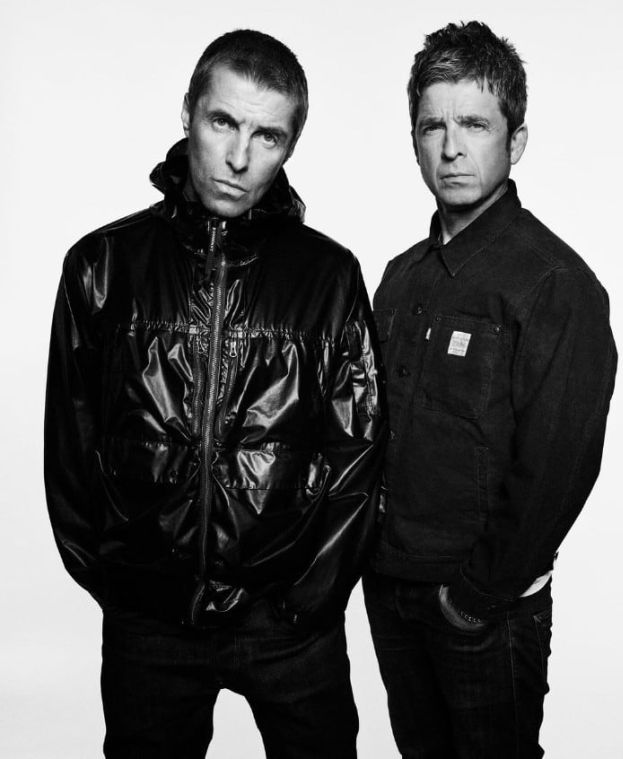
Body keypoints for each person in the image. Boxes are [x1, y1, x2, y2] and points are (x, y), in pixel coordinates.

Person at [44, 29, 384, 759]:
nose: (238, 157)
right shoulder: (103, 265)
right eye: (222, 122)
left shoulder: (328, 277)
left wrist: (308, 599)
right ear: (188, 112)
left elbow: (357, 452)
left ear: (290, 146)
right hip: (151, 620)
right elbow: (70, 440)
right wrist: (121, 584)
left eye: (267, 136)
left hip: (285, 619)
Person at [364, 20, 617, 759]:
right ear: (413, 140)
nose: (451, 148)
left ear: (517, 140)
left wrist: (476, 597)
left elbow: (560, 464)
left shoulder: (555, 284)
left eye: (474, 124)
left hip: (482, 607)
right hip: (392, 588)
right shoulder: (399, 278)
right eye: (432, 126)